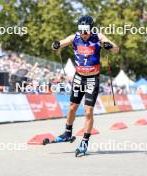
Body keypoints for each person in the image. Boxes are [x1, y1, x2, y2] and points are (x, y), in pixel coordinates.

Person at [51, 15, 119, 156]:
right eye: (81, 31)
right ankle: (67, 133)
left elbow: (116, 49)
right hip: (78, 78)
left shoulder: (98, 36)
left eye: (86, 31)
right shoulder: (74, 37)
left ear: (91, 29)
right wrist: (56, 44)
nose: (84, 34)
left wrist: (109, 46)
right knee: (72, 107)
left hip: (92, 79)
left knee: (88, 111)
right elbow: (59, 43)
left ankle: (84, 142)